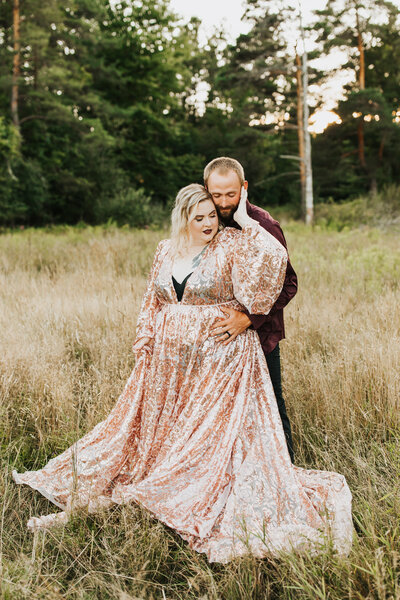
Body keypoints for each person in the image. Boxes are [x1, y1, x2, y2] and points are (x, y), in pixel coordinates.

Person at [13, 184, 352, 563]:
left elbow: (274, 267)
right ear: (184, 218)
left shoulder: (233, 242)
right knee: (159, 434)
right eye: (200, 217)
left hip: (221, 358)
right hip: (169, 366)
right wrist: (145, 339)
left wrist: (245, 223)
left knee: (204, 436)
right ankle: (129, 487)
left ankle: (180, 491)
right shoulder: (165, 249)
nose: (209, 223)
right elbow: (152, 300)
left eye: (213, 215)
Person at [204, 157, 297, 462]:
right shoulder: (205, 221)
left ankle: (286, 469)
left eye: (230, 194)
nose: (223, 202)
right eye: (216, 195)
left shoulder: (263, 224)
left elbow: (288, 282)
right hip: (219, 337)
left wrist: (250, 318)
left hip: (260, 334)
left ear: (243, 187)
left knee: (269, 403)